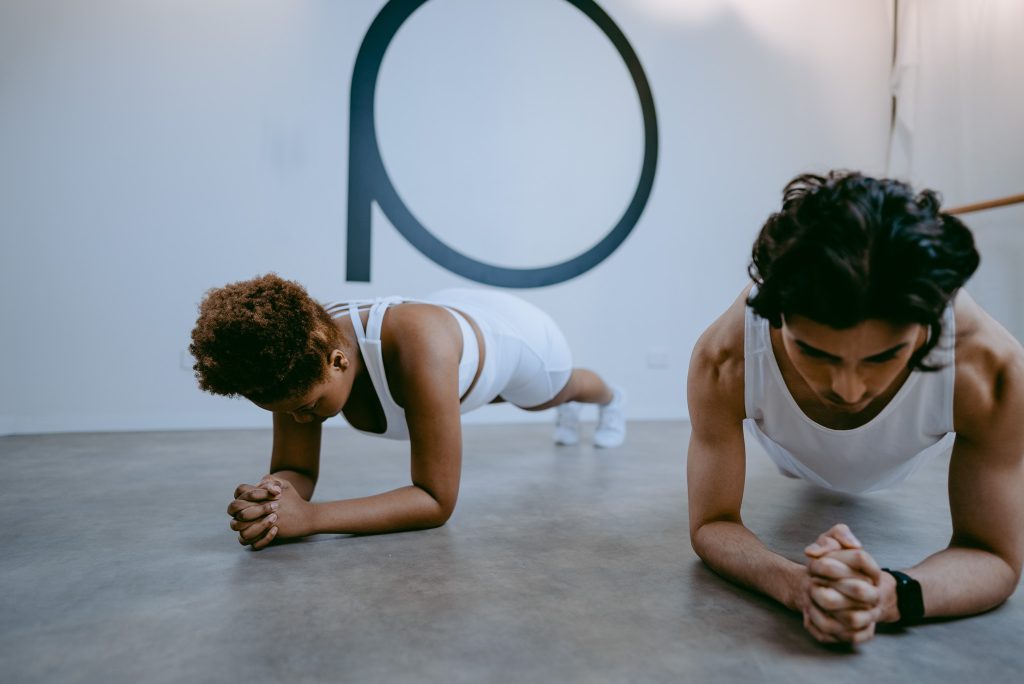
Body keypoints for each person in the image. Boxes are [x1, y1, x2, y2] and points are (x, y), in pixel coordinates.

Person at [686, 171, 1024, 644]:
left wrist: (891, 594)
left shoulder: (991, 369)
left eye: (885, 356)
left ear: (928, 323)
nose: (847, 389)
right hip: (789, 455)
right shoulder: (725, 356)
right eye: (817, 353)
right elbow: (711, 523)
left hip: (903, 457)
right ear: (776, 315)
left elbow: (995, 556)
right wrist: (796, 586)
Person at [190, 275, 625, 550]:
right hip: (452, 332)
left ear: (338, 362)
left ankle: (609, 399)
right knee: (469, 397)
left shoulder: (419, 347)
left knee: (548, 395)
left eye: (307, 408)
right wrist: (275, 496)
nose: (301, 420)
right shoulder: (293, 358)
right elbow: (293, 466)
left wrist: (310, 519)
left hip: (519, 339)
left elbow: (435, 501)